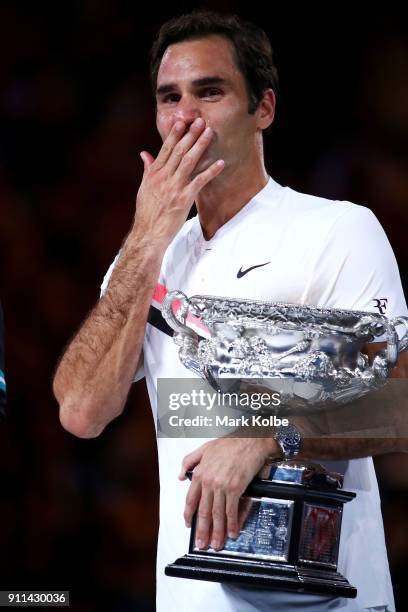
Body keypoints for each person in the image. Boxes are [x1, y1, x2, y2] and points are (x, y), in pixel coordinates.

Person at [53, 11, 408, 612]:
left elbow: (398, 405)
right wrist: (146, 237)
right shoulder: (146, 259)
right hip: (189, 598)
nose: (185, 115)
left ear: (263, 108)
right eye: (170, 98)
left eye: (209, 91)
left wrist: (270, 436)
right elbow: (82, 410)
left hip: (332, 599)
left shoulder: (336, 229)